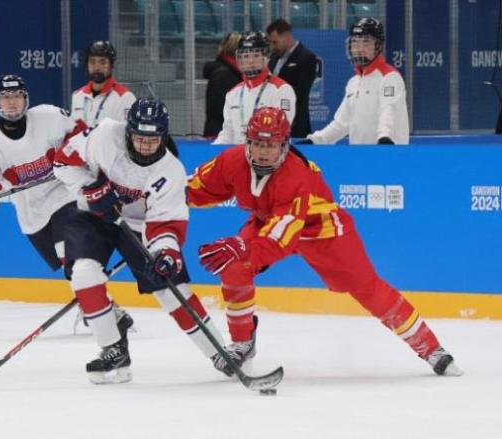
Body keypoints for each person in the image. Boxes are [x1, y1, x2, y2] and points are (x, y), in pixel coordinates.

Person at [188, 106, 462, 378]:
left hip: (323, 231)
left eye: (271, 145)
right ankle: (242, 344)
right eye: (258, 143)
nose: (263, 151)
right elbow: (193, 188)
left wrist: (244, 246)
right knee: (235, 267)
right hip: (272, 222)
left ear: (284, 146)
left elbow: (281, 239)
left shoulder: (297, 176)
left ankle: (431, 348)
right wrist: (154, 197)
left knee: (367, 288)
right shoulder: (231, 160)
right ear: (247, 142)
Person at [53, 98, 225, 384]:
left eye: (153, 139)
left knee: (172, 290)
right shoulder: (105, 135)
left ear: (164, 136)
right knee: (84, 272)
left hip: (141, 226)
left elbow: (166, 223)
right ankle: (112, 348)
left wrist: (165, 253)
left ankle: (219, 352)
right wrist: (90, 187)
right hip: (93, 216)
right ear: (128, 130)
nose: (145, 145)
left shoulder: (171, 171)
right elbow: (61, 161)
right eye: (139, 137)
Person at [0, 74, 133, 333]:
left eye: (17, 97)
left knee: (73, 253)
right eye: (6, 98)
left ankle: (101, 308)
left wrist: (69, 153)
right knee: (69, 266)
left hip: (66, 192)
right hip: (32, 212)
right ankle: (94, 304)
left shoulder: (49, 116)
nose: (12, 103)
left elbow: (80, 133)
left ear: (26, 100)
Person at [304, 18, 409, 145]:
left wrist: (384, 137)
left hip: (389, 155)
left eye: (366, 42)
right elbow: (341, 123)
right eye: (355, 43)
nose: (359, 48)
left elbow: (388, 111)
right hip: (360, 156)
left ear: (378, 45)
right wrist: (315, 140)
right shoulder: (353, 82)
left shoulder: (390, 77)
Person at [213, 31, 296, 145]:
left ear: (266, 57)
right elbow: (228, 134)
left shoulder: (281, 90)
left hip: (269, 156)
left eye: (256, 55)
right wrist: (211, 153)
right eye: (246, 56)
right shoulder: (233, 94)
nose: (250, 61)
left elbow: (282, 131)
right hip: (238, 157)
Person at [267, 18, 318, 138]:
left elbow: (301, 92)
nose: (273, 46)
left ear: (287, 36)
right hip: (271, 123)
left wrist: (276, 93)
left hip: (296, 124)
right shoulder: (274, 56)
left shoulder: (307, 57)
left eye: (275, 42)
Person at [71, 41, 136, 127]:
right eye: (92, 62)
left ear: (111, 65)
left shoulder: (125, 97)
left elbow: (127, 134)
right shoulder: (78, 95)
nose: (97, 67)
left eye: (102, 62)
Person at [203, 32, 242, 139]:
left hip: (223, 131)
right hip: (220, 133)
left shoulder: (233, 72)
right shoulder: (224, 74)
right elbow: (219, 107)